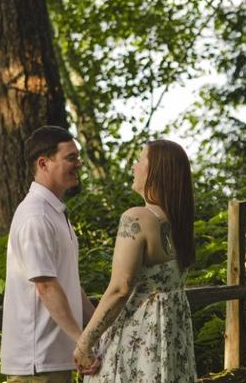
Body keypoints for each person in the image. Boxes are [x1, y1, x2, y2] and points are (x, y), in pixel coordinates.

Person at [74, 139, 197, 382]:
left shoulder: (137, 218)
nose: (134, 166)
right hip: (170, 339)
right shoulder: (178, 222)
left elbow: (121, 288)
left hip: (137, 336)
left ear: (155, 170)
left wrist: (84, 344)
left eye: (140, 160)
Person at [0, 126, 99, 383]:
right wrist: (82, 341)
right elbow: (45, 285)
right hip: (36, 364)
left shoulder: (54, 213)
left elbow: (70, 287)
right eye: (71, 158)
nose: (78, 164)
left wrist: (96, 333)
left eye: (78, 157)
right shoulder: (36, 215)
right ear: (44, 163)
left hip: (55, 360)